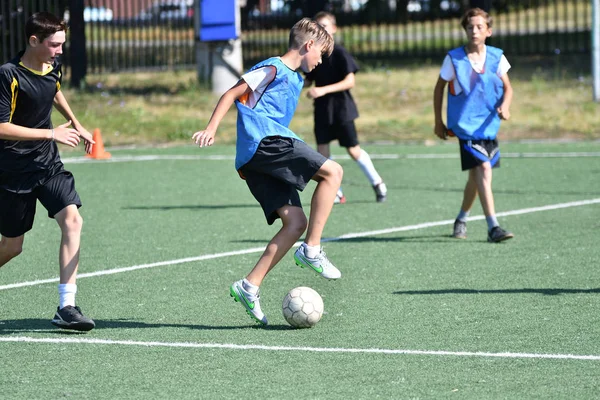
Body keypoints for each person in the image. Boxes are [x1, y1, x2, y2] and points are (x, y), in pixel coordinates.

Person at [193, 18, 343, 325]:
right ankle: (312, 250)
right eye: (320, 54)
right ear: (308, 45)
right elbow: (231, 94)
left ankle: (249, 286)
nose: (320, 62)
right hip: (265, 143)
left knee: (295, 222)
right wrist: (211, 127)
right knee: (333, 173)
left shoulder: (297, 79)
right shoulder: (274, 67)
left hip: (256, 160)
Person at [0, 12, 96, 330]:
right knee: (12, 247)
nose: (60, 51)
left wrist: (78, 124)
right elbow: (1, 127)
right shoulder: (9, 75)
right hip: (14, 169)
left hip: (48, 165)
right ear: (34, 41)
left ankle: (66, 307)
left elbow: (53, 89)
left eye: (62, 44)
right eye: (54, 45)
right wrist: (51, 133)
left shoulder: (52, 65)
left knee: (72, 219)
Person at [433, 7, 514, 243]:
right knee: (484, 170)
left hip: (488, 125)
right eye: (470, 27)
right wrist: (438, 121)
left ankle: (461, 218)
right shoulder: (454, 58)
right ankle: (493, 227)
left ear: (488, 31)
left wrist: (506, 105)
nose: (474, 31)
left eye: (479, 27)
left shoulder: (497, 57)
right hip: (465, 127)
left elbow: (508, 88)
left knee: (476, 178)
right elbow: (439, 88)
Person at [304, 11, 387, 204]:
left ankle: (378, 183)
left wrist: (322, 90)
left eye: (324, 26)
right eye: (317, 26)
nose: (320, 30)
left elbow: (350, 81)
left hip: (342, 108)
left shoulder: (340, 53)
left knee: (353, 149)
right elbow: (307, 80)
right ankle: (336, 191)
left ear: (333, 29)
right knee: (322, 150)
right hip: (322, 110)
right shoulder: (314, 54)